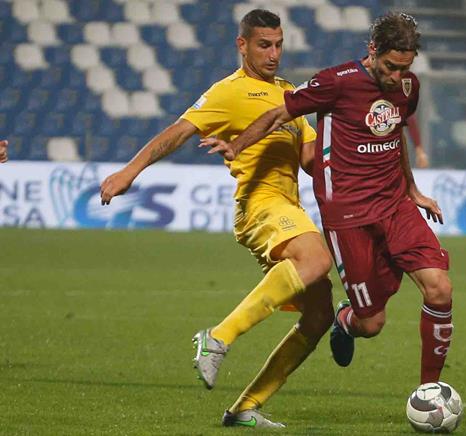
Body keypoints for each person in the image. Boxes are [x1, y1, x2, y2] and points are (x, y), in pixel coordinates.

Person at [99, 9, 335, 428]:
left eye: (279, 45)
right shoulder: (228, 91)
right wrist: (129, 171)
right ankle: (217, 337)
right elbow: (179, 131)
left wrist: (341, 131)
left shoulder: (289, 94)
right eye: (264, 45)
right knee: (316, 260)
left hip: (289, 206)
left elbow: (309, 160)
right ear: (242, 45)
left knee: (319, 316)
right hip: (259, 204)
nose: (274, 54)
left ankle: (245, 407)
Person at [202, 12, 454, 387]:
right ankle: (345, 321)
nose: (396, 76)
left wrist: (412, 190)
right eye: (390, 66)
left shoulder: (407, 86)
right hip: (349, 216)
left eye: (405, 68)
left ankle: (429, 390)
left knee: (440, 288)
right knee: (371, 323)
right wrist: (237, 146)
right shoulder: (336, 81)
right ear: (373, 50)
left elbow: (395, 132)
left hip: (395, 206)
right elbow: (278, 115)